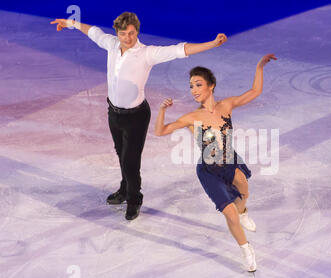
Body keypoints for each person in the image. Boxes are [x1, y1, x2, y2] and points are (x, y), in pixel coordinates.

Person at [50, 12, 227, 220]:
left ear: (137, 32)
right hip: (113, 113)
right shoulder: (111, 44)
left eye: (132, 33)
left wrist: (212, 44)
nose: (128, 38)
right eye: (123, 34)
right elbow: (93, 32)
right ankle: (125, 189)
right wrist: (70, 23)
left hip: (136, 117)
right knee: (121, 154)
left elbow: (180, 50)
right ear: (117, 33)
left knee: (130, 162)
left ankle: (135, 199)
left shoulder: (146, 54)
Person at [154, 54, 277, 272]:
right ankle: (246, 249)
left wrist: (259, 66)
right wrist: (162, 111)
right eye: (191, 85)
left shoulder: (226, 105)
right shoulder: (191, 117)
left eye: (198, 84)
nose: (193, 89)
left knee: (244, 188)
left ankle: (244, 211)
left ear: (211, 86)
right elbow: (160, 131)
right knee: (229, 213)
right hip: (208, 170)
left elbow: (255, 91)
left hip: (230, 160)